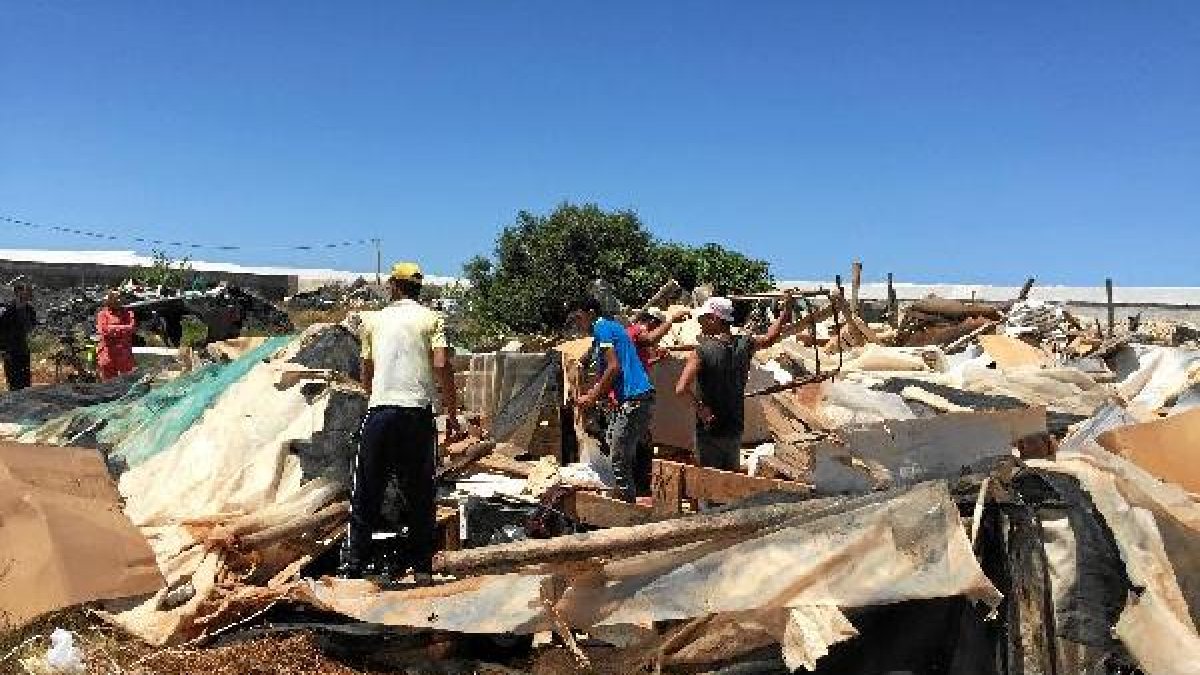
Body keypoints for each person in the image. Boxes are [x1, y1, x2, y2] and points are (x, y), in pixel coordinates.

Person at [340, 262, 460, 582]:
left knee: (366, 490)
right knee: (420, 493)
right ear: (418, 288)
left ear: (394, 285)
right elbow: (441, 363)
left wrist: (374, 397)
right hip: (417, 414)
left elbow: (366, 370)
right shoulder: (432, 318)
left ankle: (354, 567)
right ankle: (421, 567)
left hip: (380, 413)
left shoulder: (373, 321)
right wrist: (452, 410)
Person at [675, 293, 792, 472]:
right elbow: (770, 337)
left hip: (710, 430)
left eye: (703, 318)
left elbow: (681, 389)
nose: (700, 322)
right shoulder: (745, 344)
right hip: (735, 427)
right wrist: (784, 315)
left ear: (714, 318)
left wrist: (701, 409)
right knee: (730, 483)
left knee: (708, 485)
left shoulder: (702, 351)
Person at [571, 297, 656, 503]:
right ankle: (631, 496)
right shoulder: (611, 329)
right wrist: (600, 393)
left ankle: (626, 510)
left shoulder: (602, 328)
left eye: (578, 317)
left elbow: (614, 367)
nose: (577, 322)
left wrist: (592, 397)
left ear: (591, 313)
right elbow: (611, 370)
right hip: (636, 398)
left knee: (618, 457)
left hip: (634, 399)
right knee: (618, 446)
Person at [622, 308, 688, 495]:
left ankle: (641, 486)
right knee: (635, 445)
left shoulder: (633, 338)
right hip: (633, 398)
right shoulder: (634, 332)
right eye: (657, 326)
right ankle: (636, 491)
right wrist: (672, 320)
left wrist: (656, 359)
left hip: (636, 396)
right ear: (650, 322)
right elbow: (650, 340)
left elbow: (638, 365)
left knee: (641, 443)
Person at [0, 280, 37, 390]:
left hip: (23, 349)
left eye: (27, 292)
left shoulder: (29, 310)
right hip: (10, 351)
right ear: (17, 293)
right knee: (14, 382)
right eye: (23, 291)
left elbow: (29, 327)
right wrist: (3, 349)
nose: (26, 294)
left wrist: (22, 310)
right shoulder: (7, 309)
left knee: (25, 381)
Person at [96, 290, 137, 381]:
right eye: (115, 299)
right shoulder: (102, 314)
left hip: (124, 355)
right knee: (109, 385)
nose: (119, 300)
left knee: (129, 382)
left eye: (119, 298)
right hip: (107, 355)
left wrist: (113, 328)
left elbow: (132, 328)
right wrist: (123, 329)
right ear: (110, 301)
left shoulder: (128, 313)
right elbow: (104, 330)